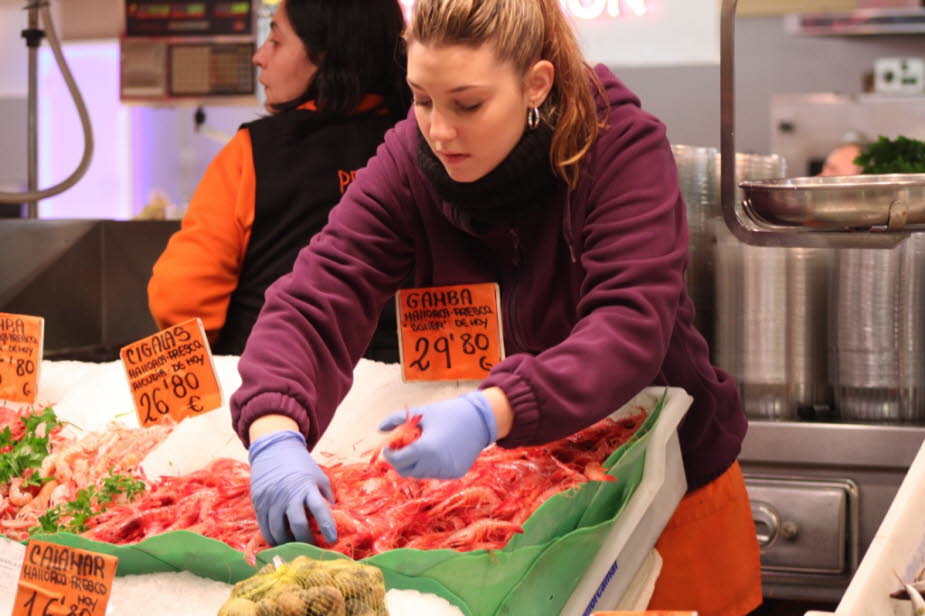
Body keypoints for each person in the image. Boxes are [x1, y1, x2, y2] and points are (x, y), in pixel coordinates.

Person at [231, 0, 762, 613]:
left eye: (468, 104)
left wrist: (492, 411)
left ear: (536, 83)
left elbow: (628, 326)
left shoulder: (619, 148)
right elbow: (319, 293)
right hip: (515, 506)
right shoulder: (410, 160)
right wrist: (275, 430)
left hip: (667, 495)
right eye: (422, 99)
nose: (439, 130)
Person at [147, 0, 409, 358]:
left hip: (271, 384)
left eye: (276, 40)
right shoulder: (429, 146)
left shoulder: (251, 152)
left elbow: (182, 298)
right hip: (402, 390)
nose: (258, 56)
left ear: (324, 55)